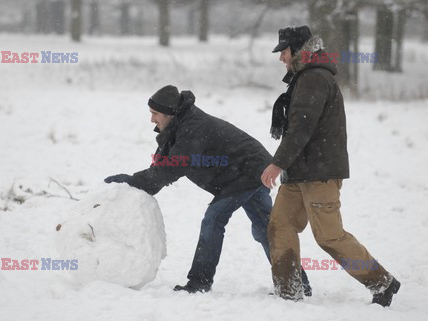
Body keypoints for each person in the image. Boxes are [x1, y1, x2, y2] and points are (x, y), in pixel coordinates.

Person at [104, 85, 311, 294]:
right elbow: (162, 166)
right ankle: (297, 283)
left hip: (247, 171)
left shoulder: (192, 127)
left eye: (154, 114)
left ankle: (200, 282)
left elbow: (173, 167)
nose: (152, 120)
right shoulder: (177, 125)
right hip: (247, 170)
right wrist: (138, 185)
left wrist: (133, 181)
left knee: (214, 218)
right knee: (266, 228)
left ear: (168, 112)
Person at [261, 26, 400, 307]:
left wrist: (277, 164)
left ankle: (381, 281)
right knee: (280, 225)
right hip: (300, 172)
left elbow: (301, 129)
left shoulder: (313, 78)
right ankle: (288, 290)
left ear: (299, 51)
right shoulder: (305, 76)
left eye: (284, 52)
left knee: (329, 236)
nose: (281, 58)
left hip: (319, 173)